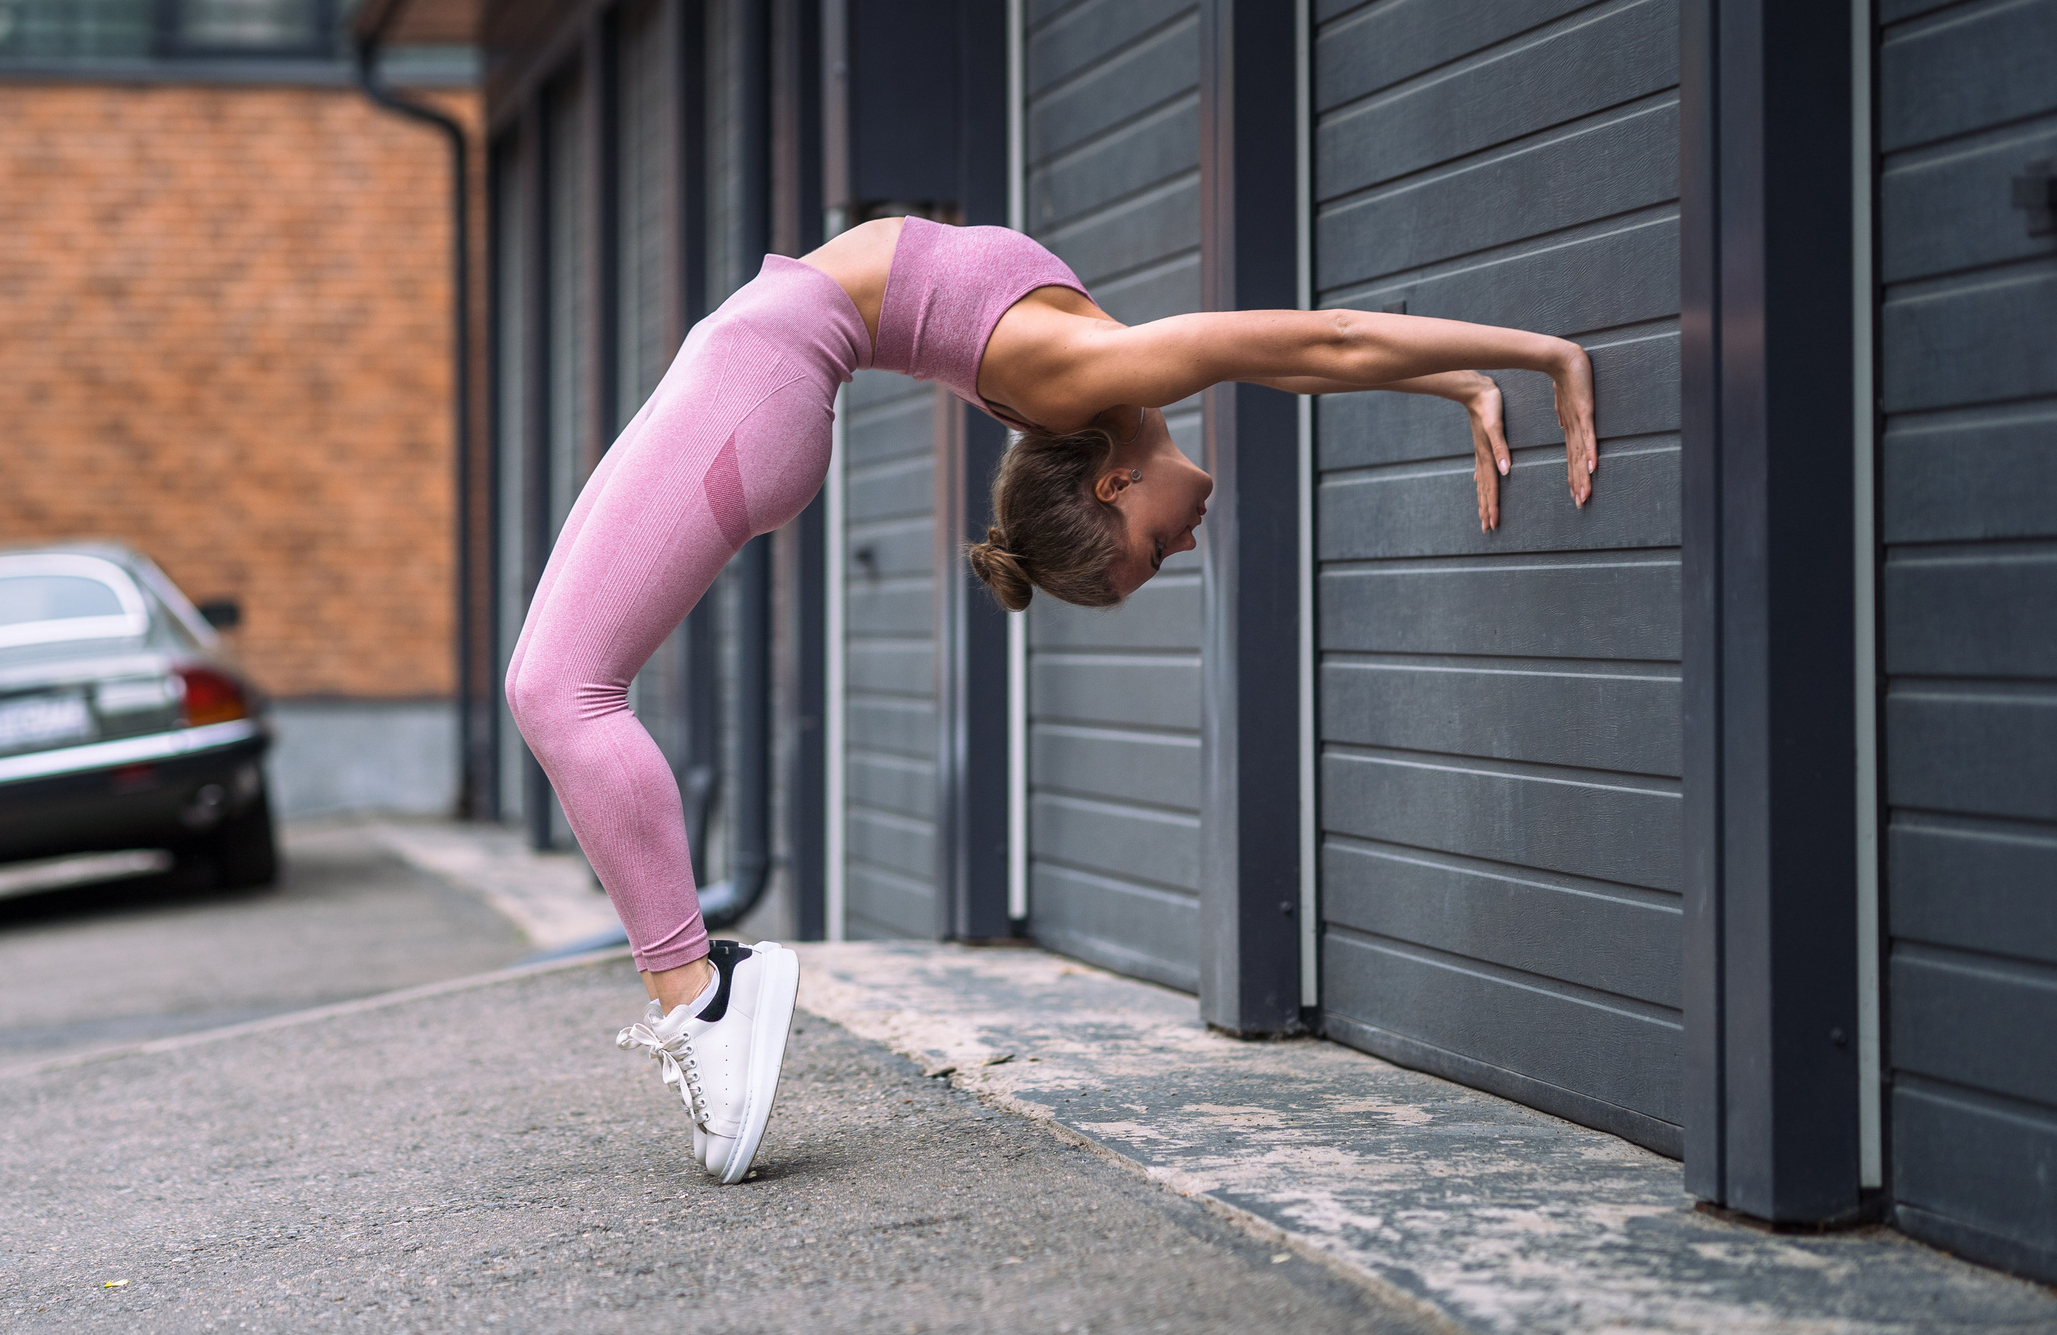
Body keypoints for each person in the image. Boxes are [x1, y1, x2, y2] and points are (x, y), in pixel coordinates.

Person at [504, 215, 1597, 1183]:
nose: (1182, 544)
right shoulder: (1085, 371)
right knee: (559, 690)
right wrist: (1526, 358)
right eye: (1156, 551)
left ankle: (697, 988)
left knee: (555, 689)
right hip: (754, 372)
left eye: (1157, 554)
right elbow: (1326, 345)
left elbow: (1315, 356)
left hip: (753, 369)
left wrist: (1466, 379)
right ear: (1112, 481)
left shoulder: (1084, 382)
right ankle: (702, 997)